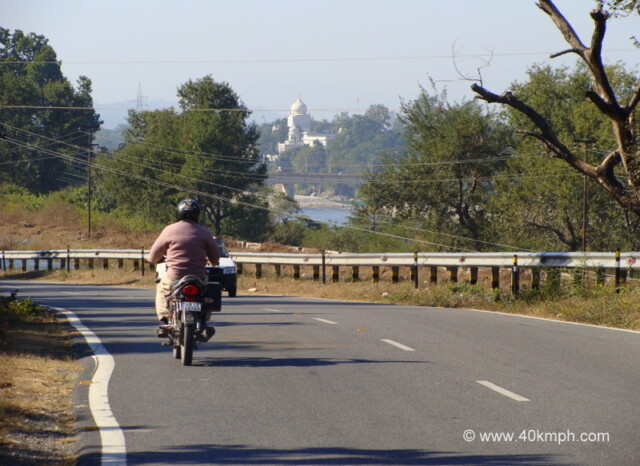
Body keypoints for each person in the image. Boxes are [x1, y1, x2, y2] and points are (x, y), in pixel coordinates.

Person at [145, 199, 220, 339]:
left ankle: (164, 321)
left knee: (161, 289)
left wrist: (150, 259)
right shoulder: (204, 232)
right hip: (198, 277)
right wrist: (212, 261)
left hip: (174, 277)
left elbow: (154, 255)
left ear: (178, 213)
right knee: (205, 294)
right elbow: (215, 257)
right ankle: (203, 322)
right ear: (197, 215)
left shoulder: (169, 230)